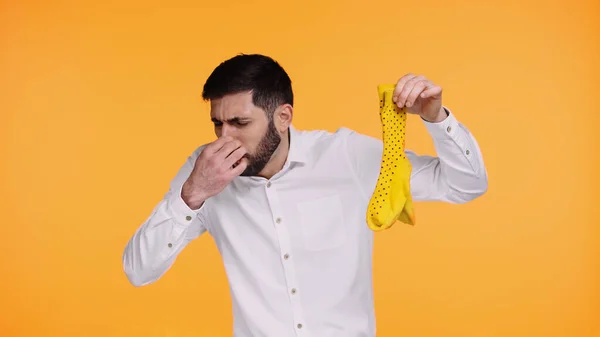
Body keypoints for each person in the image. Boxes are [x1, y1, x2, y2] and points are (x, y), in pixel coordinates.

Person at [122, 53, 488, 337]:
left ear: (283, 116)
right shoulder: (203, 172)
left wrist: (436, 118)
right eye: (218, 123)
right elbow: (139, 271)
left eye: (240, 123)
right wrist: (192, 195)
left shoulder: (348, 156)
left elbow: (465, 184)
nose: (224, 138)